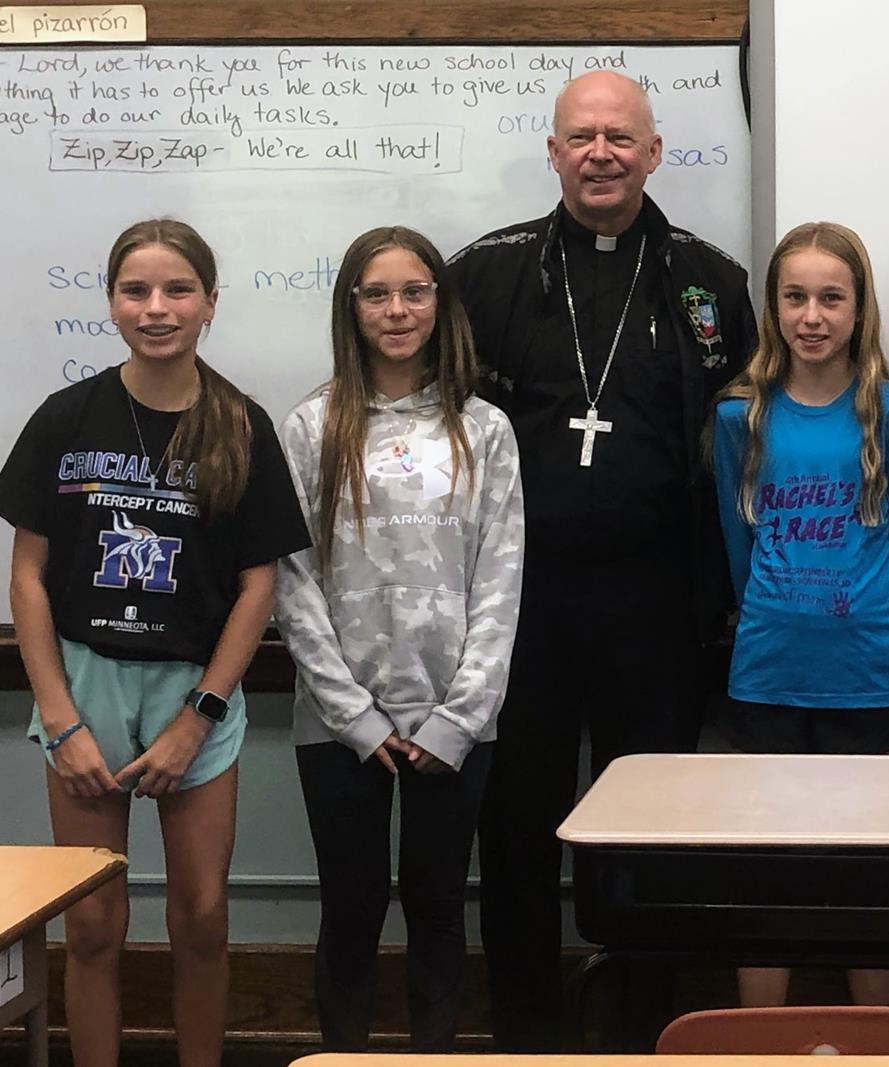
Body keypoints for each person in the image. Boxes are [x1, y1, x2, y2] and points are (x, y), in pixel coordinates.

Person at [442, 69, 757, 1050]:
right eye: (581, 137)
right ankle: (528, 1034)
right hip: (520, 601)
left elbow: (742, 442)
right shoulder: (485, 275)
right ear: (553, 152)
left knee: (652, 824)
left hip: (655, 601)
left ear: (654, 152)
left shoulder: (711, 282)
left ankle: (647, 1028)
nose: (601, 154)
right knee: (518, 821)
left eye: (620, 137)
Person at [0, 218, 309, 1067]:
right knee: (92, 923)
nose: (157, 307)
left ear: (210, 302)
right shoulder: (67, 417)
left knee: (201, 917)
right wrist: (60, 719)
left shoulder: (241, 424)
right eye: (135, 290)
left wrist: (198, 716)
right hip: (85, 685)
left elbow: (258, 584)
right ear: (111, 302)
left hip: (194, 691)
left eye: (178, 289)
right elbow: (27, 576)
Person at [276, 226, 524, 1051]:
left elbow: (500, 579)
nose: (396, 310)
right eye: (376, 294)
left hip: (453, 720)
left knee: (438, 903)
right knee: (350, 907)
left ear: (440, 304)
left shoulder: (484, 429)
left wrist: (460, 715)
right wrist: (353, 713)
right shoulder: (312, 425)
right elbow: (292, 580)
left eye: (414, 291)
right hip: (340, 722)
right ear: (350, 307)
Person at [707, 221, 889, 1008]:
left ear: (859, 307)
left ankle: (877, 1037)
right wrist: (779, 615)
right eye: (795, 297)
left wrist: (879, 634)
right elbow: (738, 547)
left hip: (866, 676)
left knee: (868, 869)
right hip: (767, 673)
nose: (812, 316)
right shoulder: (740, 416)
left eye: (831, 298)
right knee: (765, 868)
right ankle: (757, 1043)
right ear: (772, 307)